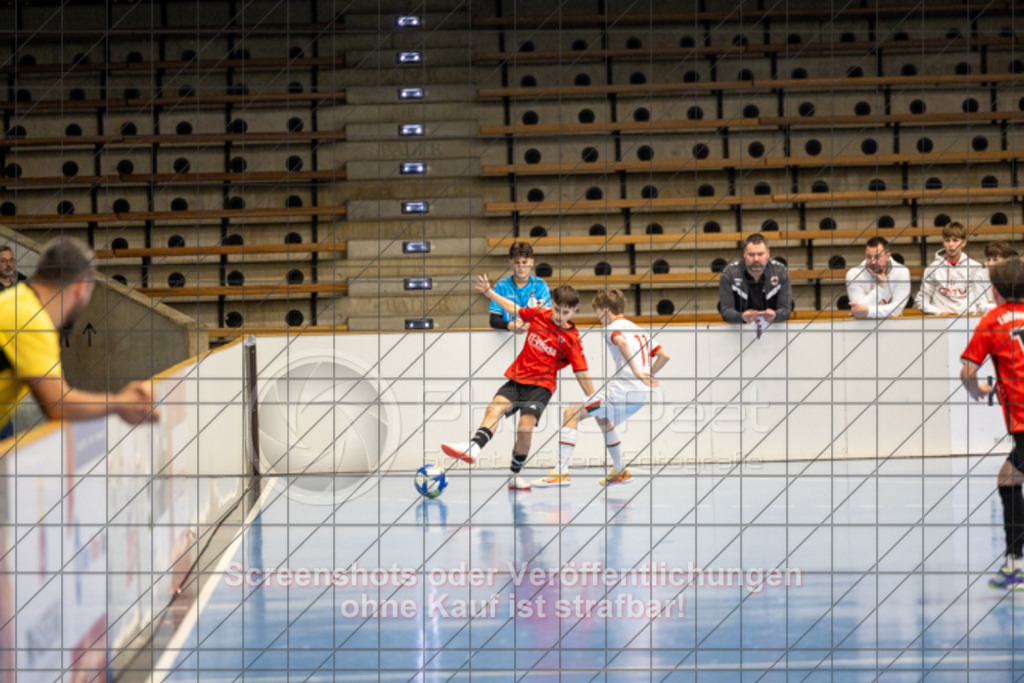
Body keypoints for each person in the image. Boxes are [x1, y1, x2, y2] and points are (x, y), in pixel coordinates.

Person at [442, 275, 594, 490]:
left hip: (541, 386)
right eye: (558, 309)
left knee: (524, 429)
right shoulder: (540, 314)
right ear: (552, 304)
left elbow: (581, 371)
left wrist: (594, 397)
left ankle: (514, 474)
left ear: (574, 312)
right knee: (493, 408)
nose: (560, 316)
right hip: (517, 377)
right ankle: (474, 447)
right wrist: (490, 293)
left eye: (566, 312)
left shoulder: (571, 338)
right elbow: (514, 309)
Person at [0, 236, 159, 441]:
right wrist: (120, 403)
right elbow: (59, 406)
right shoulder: (29, 317)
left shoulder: (17, 300)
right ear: (81, 288)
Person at [532, 289, 671, 488]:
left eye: (597, 312)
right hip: (642, 393)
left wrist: (634, 371)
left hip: (622, 391)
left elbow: (621, 342)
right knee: (602, 417)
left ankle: (560, 472)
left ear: (605, 310)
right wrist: (648, 375)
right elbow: (665, 355)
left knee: (571, 414)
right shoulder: (637, 329)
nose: (598, 318)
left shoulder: (611, 327)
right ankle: (620, 470)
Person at [960, 257, 1024, 590]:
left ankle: (1015, 565)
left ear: (996, 290)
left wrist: (978, 390)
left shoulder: (993, 320)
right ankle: (1015, 563)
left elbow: (967, 371)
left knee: (1009, 481)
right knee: (1010, 479)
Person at [914, 221, 989, 315]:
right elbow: (921, 300)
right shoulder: (932, 269)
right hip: (941, 322)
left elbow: (982, 299)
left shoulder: (975, 267)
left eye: (955, 240)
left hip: (967, 321)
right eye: (947, 240)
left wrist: (970, 313)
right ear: (943, 243)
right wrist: (939, 313)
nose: (951, 244)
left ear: (964, 243)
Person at [718, 233, 793, 326]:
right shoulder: (729, 274)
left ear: (768, 254)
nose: (756, 259)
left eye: (760, 254)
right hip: (739, 331)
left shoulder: (781, 272)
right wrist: (741, 317)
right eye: (751, 254)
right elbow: (726, 311)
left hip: (773, 330)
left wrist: (776, 315)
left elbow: (786, 310)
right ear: (744, 254)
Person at [489, 242, 552, 333]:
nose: (521, 267)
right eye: (516, 262)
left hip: (534, 339)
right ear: (510, 263)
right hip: (507, 338)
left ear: (531, 262)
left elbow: (547, 317)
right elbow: (494, 320)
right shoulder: (501, 285)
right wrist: (511, 326)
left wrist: (527, 326)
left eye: (524, 262)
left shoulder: (540, 285)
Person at [845, 236, 911, 319]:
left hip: (892, 324)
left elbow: (896, 309)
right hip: (861, 325)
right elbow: (858, 309)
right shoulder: (854, 274)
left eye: (877, 257)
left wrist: (868, 311)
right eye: (869, 257)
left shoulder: (901, 272)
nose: (872, 261)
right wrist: (880, 287)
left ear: (888, 256)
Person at [980, 241, 1018, 312]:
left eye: (995, 260)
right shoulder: (980, 274)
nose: (990, 263)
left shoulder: (1015, 276)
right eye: (988, 259)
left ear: (1006, 261)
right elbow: (981, 305)